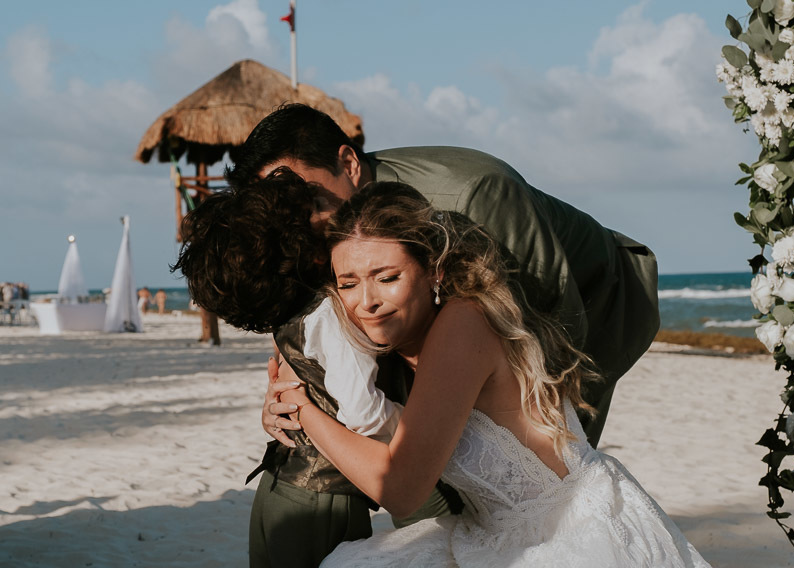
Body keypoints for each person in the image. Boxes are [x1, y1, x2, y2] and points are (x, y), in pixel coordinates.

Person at [281, 181, 708, 566]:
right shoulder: (405, 340)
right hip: (491, 535)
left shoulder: (463, 324)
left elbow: (401, 490)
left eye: (387, 277)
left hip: (568, 534)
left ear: (435, 270)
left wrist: (301, 410)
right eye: (348, 284)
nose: (366, 302)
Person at [228, 103, 659, 448]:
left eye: (310, 198)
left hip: (597, 295)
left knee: (543, 473)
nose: (302, 221)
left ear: (349, 164)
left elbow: (557, 322)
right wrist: (284, 390)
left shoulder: (474, 194)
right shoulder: (317, 218)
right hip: (469, 320)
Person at [172, 172, 453, 567]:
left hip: (279, 487)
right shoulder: (328, 313)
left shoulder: (289, 315)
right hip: (322, 498)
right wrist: (421, 425)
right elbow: (363, 413)